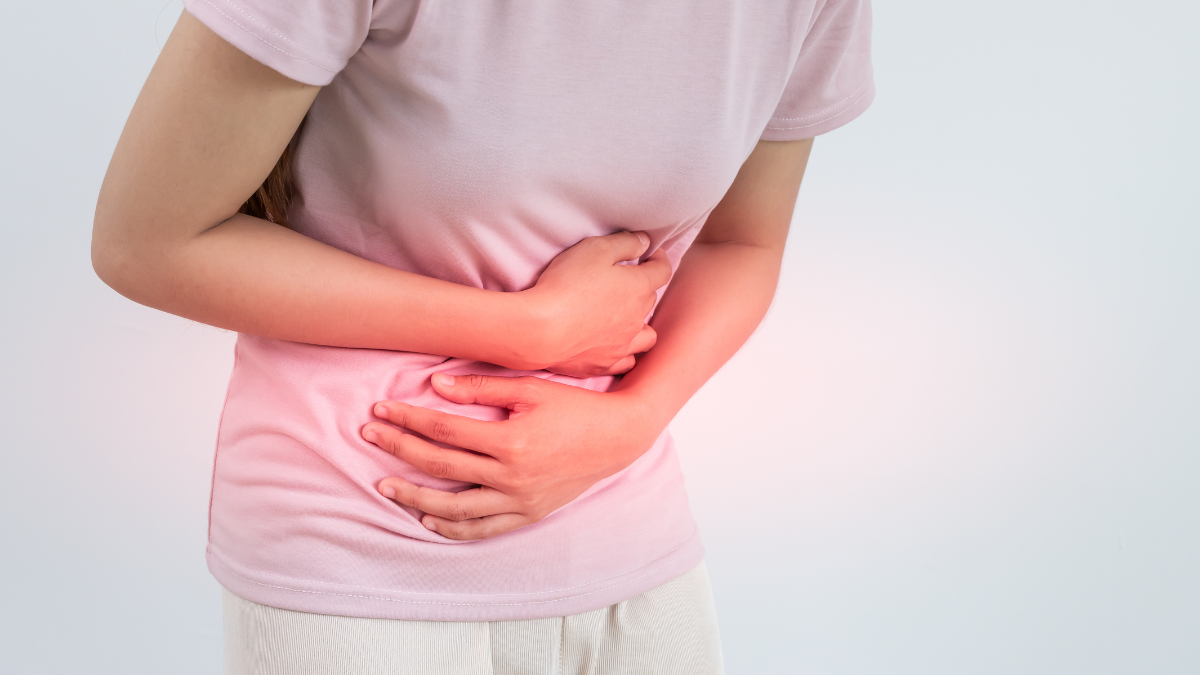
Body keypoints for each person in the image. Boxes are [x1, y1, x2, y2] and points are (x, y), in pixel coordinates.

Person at [92, 0, 873, 672]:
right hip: (356, 543)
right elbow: (149, 240)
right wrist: (523, 328)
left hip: (625, 531)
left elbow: (740, 244)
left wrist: (629, 422)